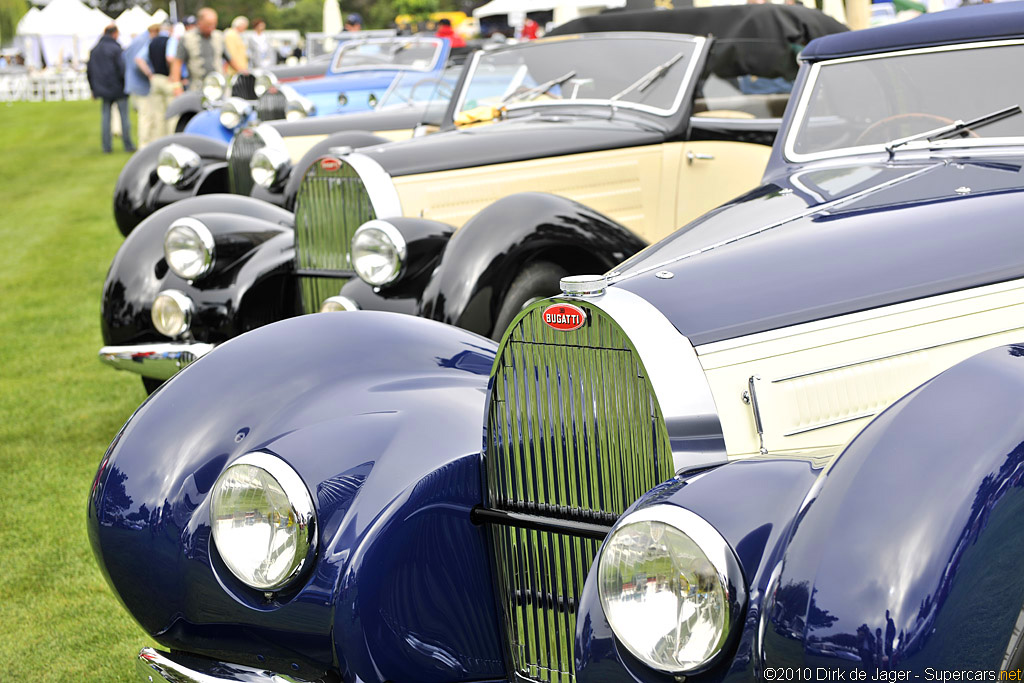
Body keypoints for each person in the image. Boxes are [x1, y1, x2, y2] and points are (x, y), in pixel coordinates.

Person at [171, 8, 245, 95]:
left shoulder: (219, 37)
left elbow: (229, 59)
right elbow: (177, 62)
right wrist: (177, 86)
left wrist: (243, 72)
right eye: (208, 25)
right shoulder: (187, 38)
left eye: (214, 24)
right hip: (197, 87)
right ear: (199, 22)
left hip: (219, 87)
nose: (211, 28)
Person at [87, 24, 135, 153]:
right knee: (124, 117)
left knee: (106, 118)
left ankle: (106, 147)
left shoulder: (94, 50)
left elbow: (90, 71)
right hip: (118, 88)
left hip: (103, 89)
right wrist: (125, 84)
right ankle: (128, 145)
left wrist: (93, 88)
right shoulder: (116, 49)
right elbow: (122, 69)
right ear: (114, 34)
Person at [136, 23, 174, 145]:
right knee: (173, 113)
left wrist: (149, 74)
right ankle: (172, 140)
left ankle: (160, 142)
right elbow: (170, 58)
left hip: (155, 79)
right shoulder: (171, 40)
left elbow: (139, 59)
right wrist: (174, 74)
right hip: (168, 79)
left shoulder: (151, 42)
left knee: (158, 115)